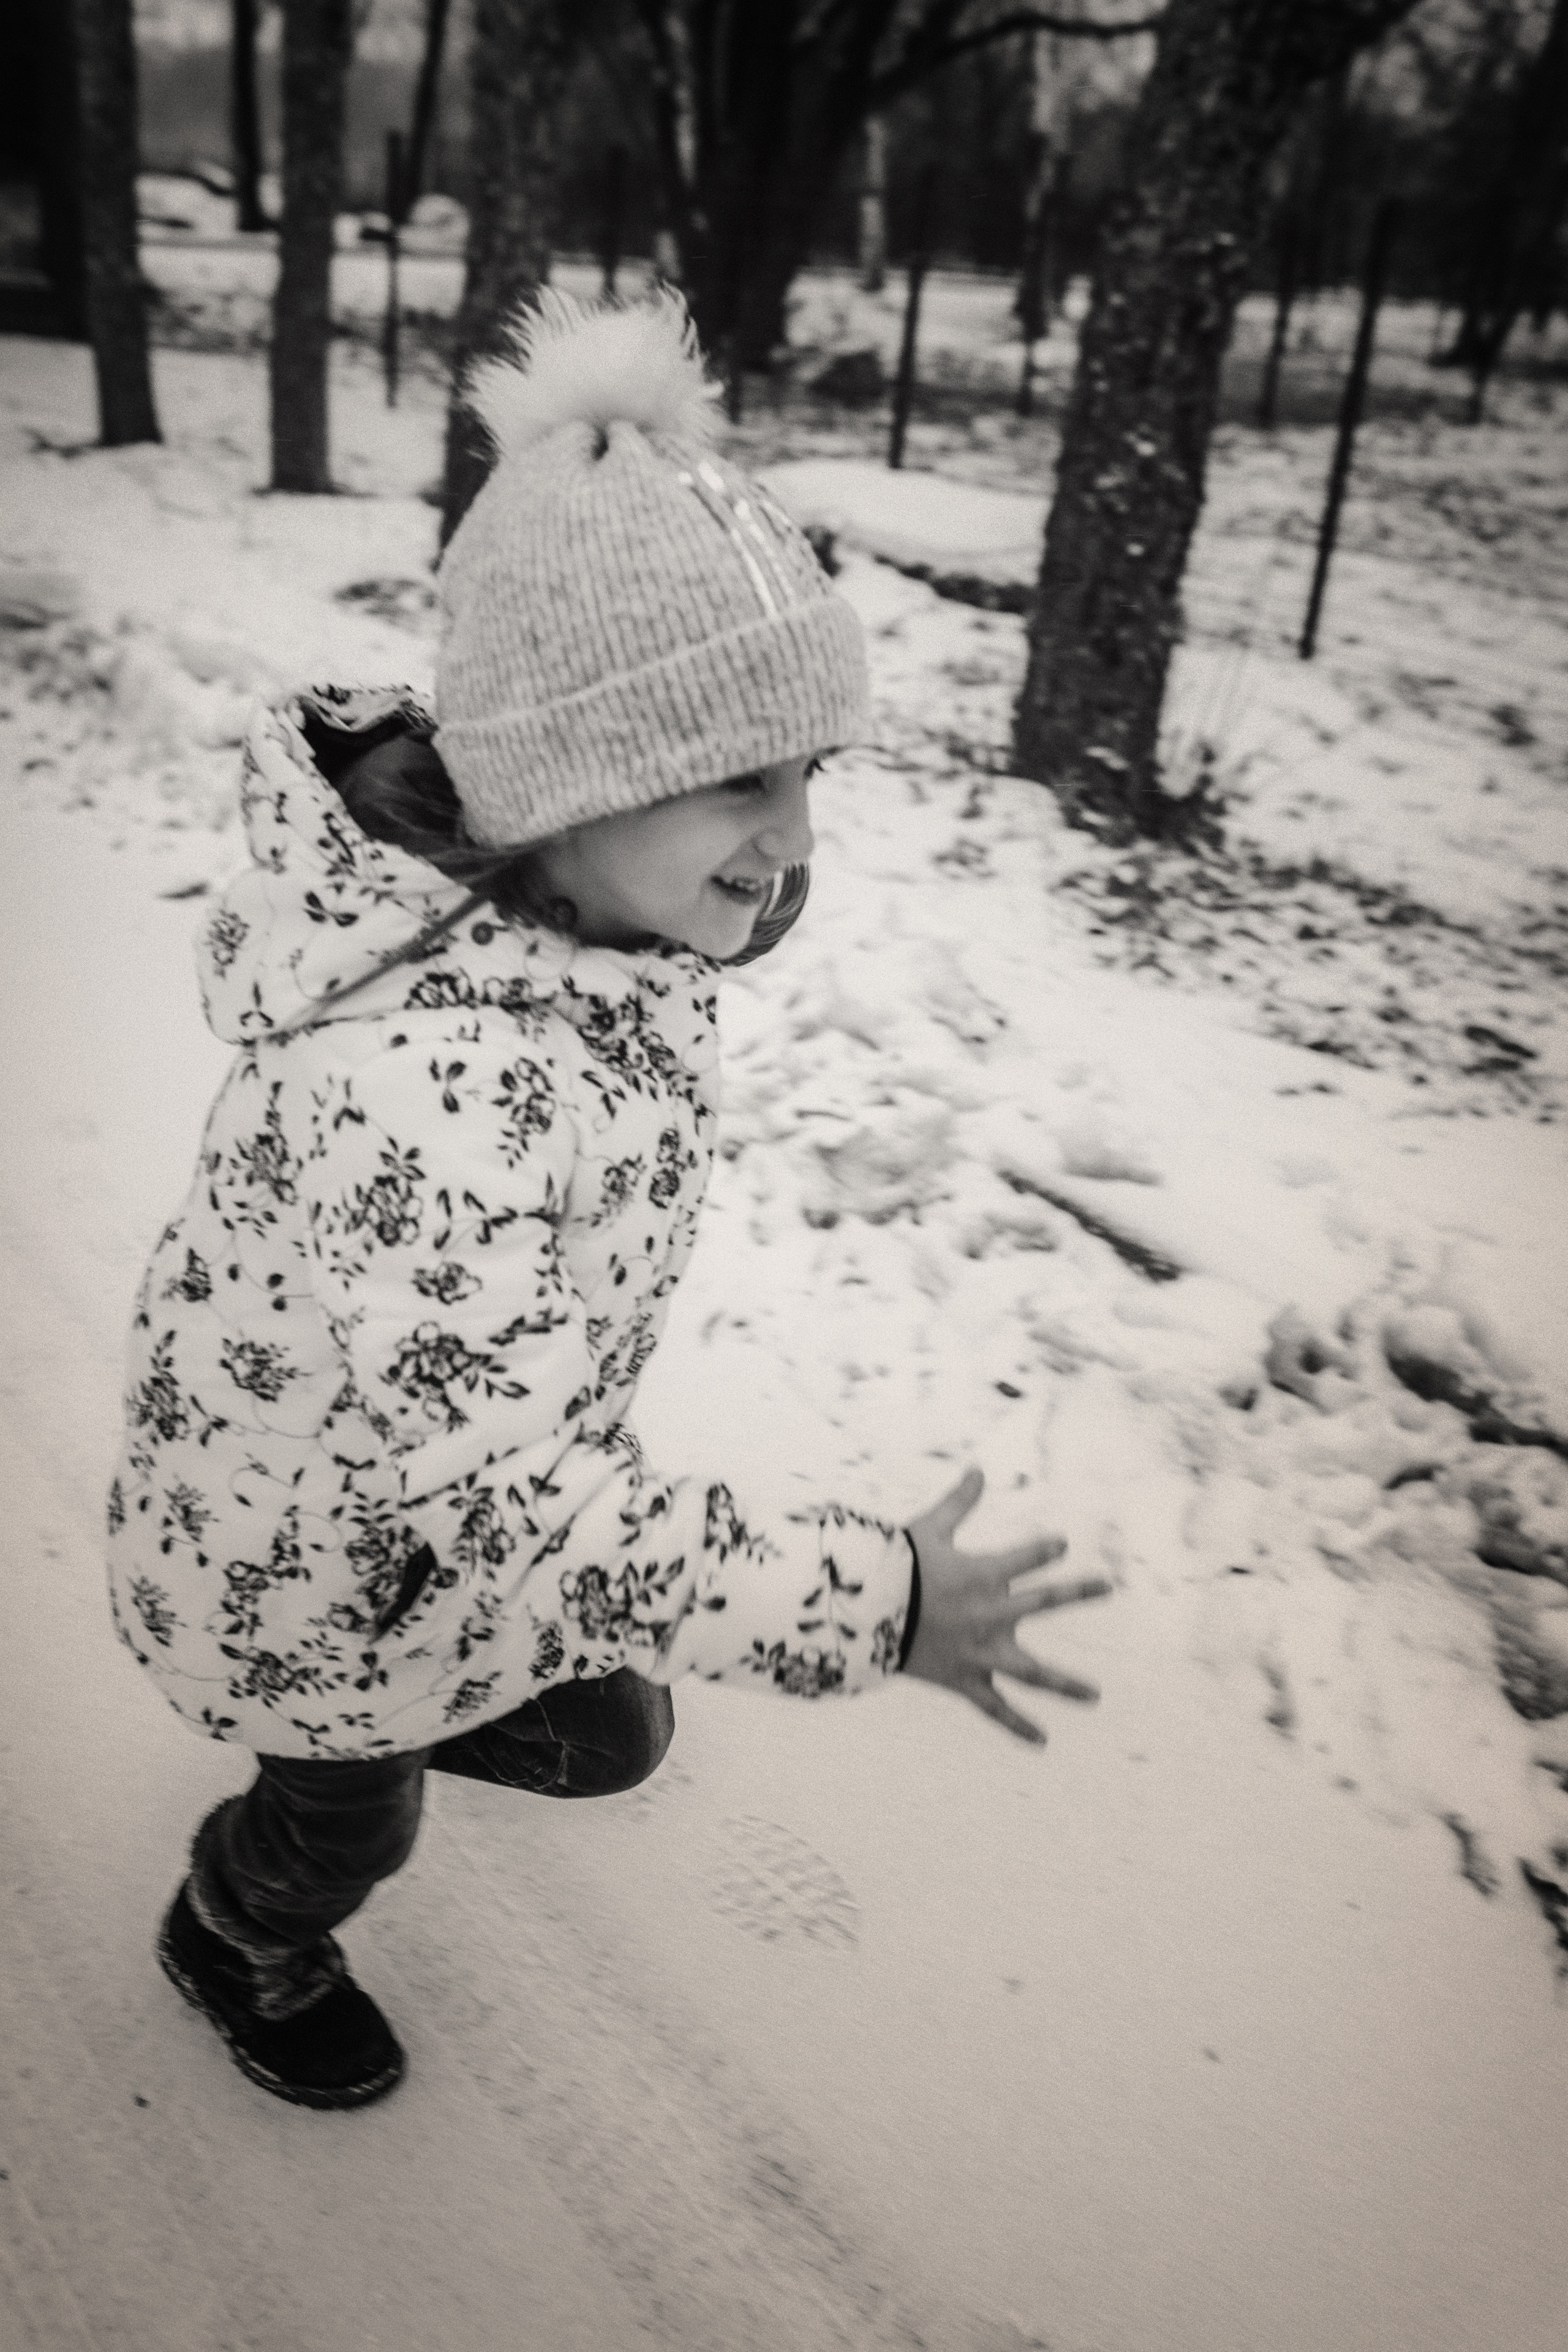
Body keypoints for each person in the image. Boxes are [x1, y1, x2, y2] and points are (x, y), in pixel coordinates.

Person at [108, 291, 1109, 2113]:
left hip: (435, 1508)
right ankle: (238, 1924)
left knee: (618, 1735)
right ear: (561, 782)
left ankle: (466, 1680)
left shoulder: (586, 927)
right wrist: (862, 1603)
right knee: (355, 1815)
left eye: (809, 772)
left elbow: (506, 1443)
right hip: (306, 1574)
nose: (795, 839)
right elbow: (512, 1493)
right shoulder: (416, 1080)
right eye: (738, 775)